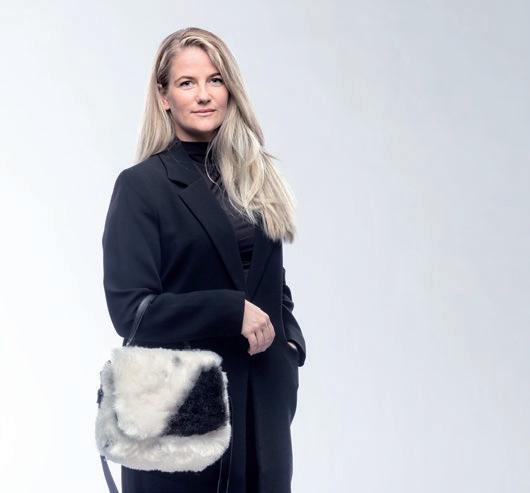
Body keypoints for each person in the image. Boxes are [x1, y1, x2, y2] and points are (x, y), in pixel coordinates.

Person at [101, 27, 307, 493]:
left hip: (263, 404)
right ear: (164, 96)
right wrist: (229, 311)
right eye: (187, 83)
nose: (204, 95)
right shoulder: (141, 187)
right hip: (181, 415)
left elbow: (271, 283)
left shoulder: (256, 177)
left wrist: (290, 348)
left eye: (215, 80)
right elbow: (131, 312)